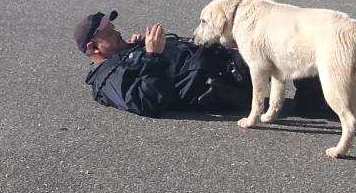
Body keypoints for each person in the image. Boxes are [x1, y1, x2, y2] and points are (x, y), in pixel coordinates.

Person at [74, 10, 328, 118]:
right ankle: (321, 102)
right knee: (288, 45)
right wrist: (152, 56)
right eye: (108, 30)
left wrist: (138, 47)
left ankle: (330, 97)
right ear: (94, 48)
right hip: (222, 81)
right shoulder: (107, 80)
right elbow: (145, 102)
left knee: (292, 37)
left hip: (220, 61)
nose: (116, 29)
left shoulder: (122, 53)